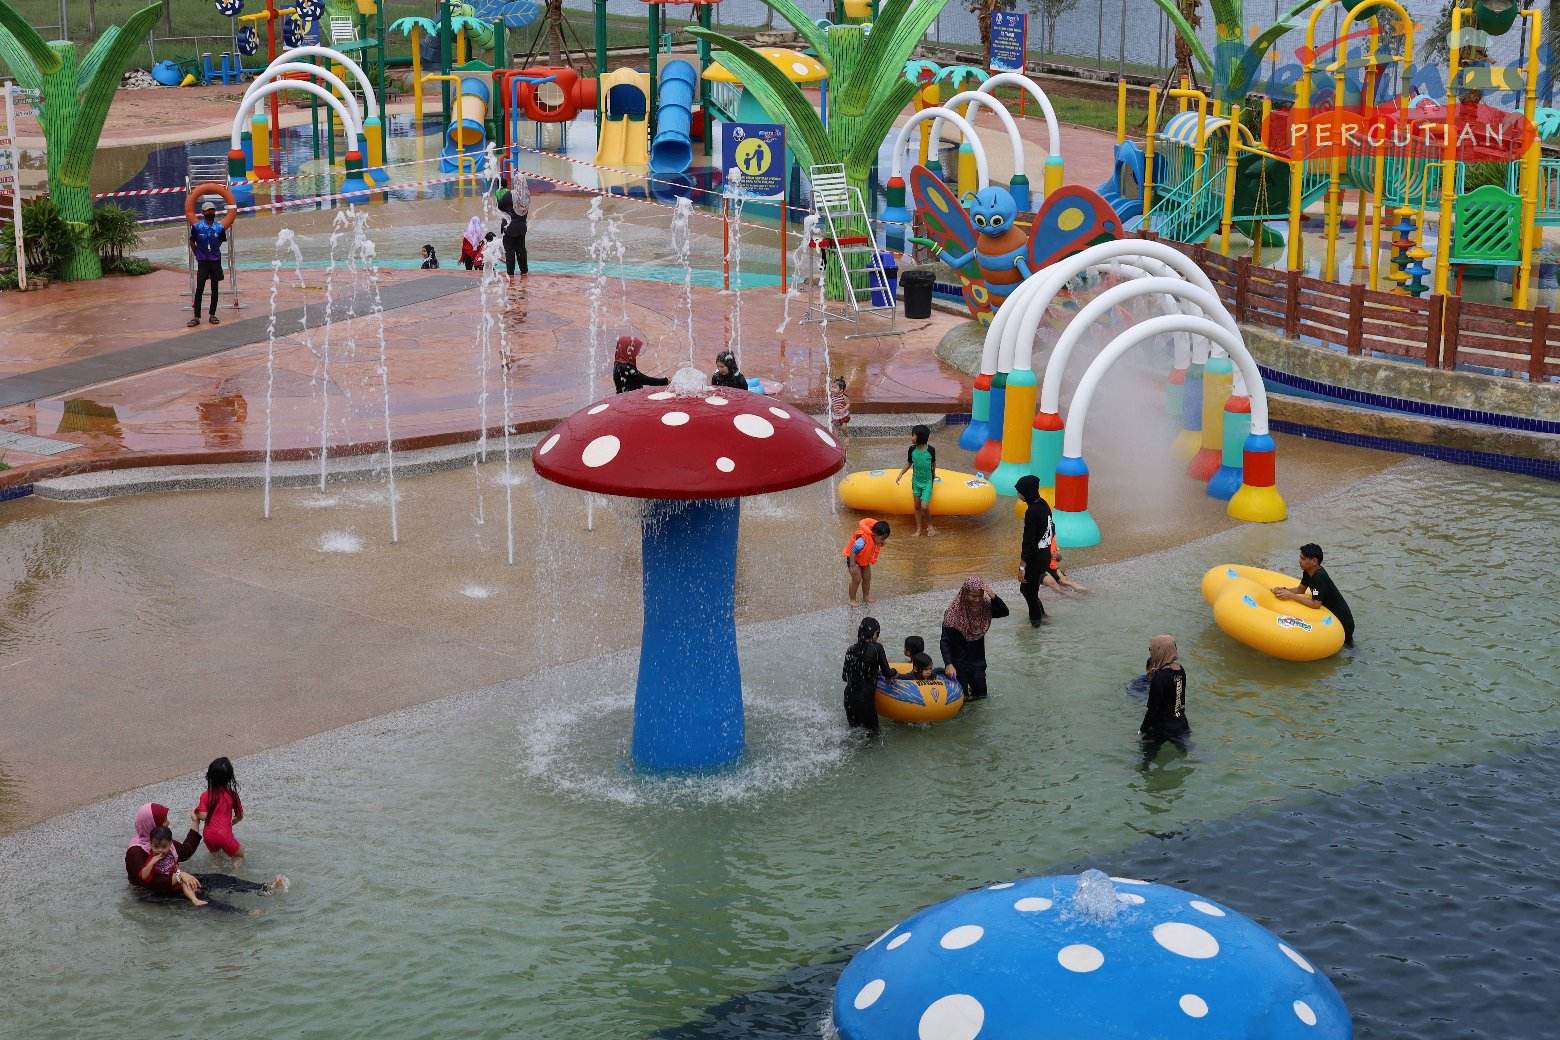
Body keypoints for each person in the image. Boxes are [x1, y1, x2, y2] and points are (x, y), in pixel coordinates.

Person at [124, 802, 285, 912]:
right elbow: (147, 882)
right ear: (151, 825)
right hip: (153, 894)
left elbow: (185, 851)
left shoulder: (163, 841)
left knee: (219, 879)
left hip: (177, 880)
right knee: (205, 900)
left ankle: (263, 888)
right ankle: (245, 914)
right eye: (164, 820)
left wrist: (195, 822)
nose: (168, 823)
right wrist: (180, 876)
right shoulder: (136, 851)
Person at [938, 576, 1009, 701]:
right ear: (965, 594)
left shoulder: (984, 607)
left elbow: (1004, 612)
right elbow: (945, 641)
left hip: (977, 661)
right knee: (962, 698)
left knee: (981, 696)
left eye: (980, 596)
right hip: (958, 662)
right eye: (973, 596)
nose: (977, 600)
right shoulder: (952, 614)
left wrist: (993, 596)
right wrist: (948, 664)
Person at [1272, 542, 1356, 645]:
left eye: (1303, 558)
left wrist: (1290, 595)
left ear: (1314, 561)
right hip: (1331, 615)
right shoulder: (1308, 571)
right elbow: (1300, 589)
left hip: (1343, 622)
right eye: (1300, 557)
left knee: (1347, 648)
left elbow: (1316, 604)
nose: (1299, 561)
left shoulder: (1319, 577)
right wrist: (1283, 590)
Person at [1139, 634, 1190, 759]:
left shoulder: (1159, 677)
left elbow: (1152, 709)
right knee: (1186, 754)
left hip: (1161, 727)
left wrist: (1142, 730)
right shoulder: (1180, 670)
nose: (1151, 652)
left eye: (1152, 649)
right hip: (1181, 723)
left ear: (1159, 651)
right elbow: (1178, 699)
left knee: (1145, 759)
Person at [1014, 475, 1055, 627]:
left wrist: (1022, 566)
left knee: (1028, 591)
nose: (1018, 494)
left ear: (1026, 492)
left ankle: (1036, 625)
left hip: (1035, 559)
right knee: (1030, 589)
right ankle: (1043, 616)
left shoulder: (1032, 512)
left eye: (1019, 491)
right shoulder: (1043, 504)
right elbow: (1051, 528)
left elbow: (1028, 541)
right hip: (1044, 555)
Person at [842, 616, 894, 732]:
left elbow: (844, 677)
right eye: (878, 633)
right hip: (865, 700)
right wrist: (895, 671)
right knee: (873, 734)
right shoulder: (877, 648)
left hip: (849, 698)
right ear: (874, 633)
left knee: (854, 732)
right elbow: (887, 673)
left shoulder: (850, 649)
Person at [195, 756, 244, 861]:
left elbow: (203, 816)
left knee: (216, 859)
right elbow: (240, 816)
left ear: (209, 777)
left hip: (209, 836)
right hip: (225, 836)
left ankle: (216, 869)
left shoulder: (205, 795)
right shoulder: (233, 795)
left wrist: (196, 812)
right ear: (230, 777)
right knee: (239, 856)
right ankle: (236, 871)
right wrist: (229, 824)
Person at [894, 423, 937, 537]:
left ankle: (930, 526)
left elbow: (933, 464)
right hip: (916, 482)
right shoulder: (912, 449)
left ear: (920, 437)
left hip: (927, 482)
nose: (911, 437)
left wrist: (934, 475)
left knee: (924, 506)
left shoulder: (931, 450)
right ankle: (918, 529)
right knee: (917, 506)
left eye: (913, 435)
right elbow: (909, 462)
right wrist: (901, 473)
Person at [188, 201, 227, 327]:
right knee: (199, 288)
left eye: (212, 210)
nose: (211, 212)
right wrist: (197, 254)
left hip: (215, 261)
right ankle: (196, 317)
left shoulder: (219, 228)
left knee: (215, 288)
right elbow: (192, 241)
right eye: (208, 210)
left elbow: (220, 241)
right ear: (203, 212)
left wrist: (213, 251)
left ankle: (212, 314)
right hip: (203, 262)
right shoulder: (197, 227)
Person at [842, 517, 891, 606]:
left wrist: (881, 542)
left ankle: (866, 596)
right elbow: (853, 551)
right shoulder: (862, 541)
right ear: (874, 534)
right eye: (882, 539)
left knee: (867, 577)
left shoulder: (875, 538)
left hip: (864, 560)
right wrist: (852, 565)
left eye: (884, 539)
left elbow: (874, 545)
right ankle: (852, 599)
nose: (883, 541)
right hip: (854, 559)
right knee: (857, 579)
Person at [497, 184, 529, 278]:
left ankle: (510, 273)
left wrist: (508, 210)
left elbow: (499, 206)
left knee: (510, 251)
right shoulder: (525, 196)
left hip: (509, 227)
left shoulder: (509, 194)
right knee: (521, 250)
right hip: (521, 227)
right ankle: (524, 271)